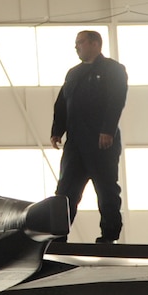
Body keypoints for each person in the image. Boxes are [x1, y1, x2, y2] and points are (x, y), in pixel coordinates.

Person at [50, 29, 128, 244]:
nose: (77, 46)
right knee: (65, 193)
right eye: (76, 43)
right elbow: (62, 103)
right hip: (75, 143)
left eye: (80, 42)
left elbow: (116, 100)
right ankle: (57, 237)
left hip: (101, 142)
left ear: (95, 44)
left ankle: (109, 235)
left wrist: (107, 130)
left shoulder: (113, 70)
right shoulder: (73, 73)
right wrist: (57, 130)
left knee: (106, 189)